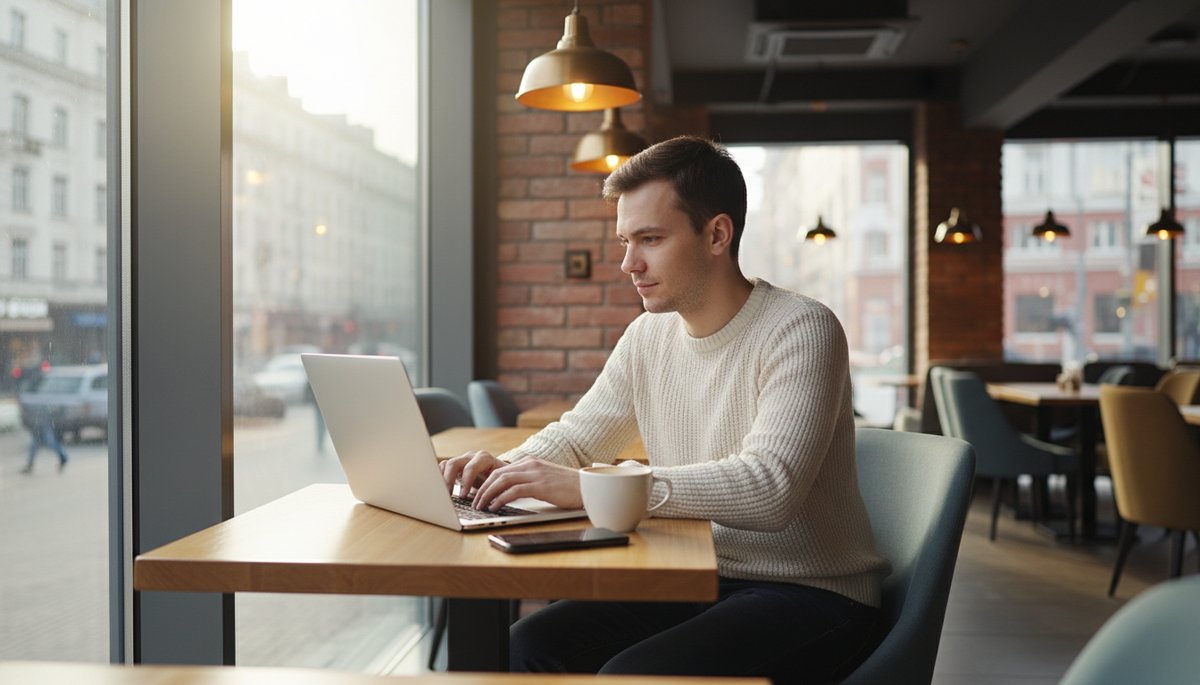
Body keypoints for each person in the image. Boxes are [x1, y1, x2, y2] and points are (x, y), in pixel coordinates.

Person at [440, 136, 890, 683]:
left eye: (650, 239)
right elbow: (580, 436)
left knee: (631, 676)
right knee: (521, 647)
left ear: (717, 234)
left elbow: (772, 489)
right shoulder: (647, 336)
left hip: (811, 592)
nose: (629, 263)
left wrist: (591, 489)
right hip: (690, 577)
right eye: (625, 241)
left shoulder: (801, 328)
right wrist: (501, 471)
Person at [23, 407, 69, 474]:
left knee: (51, 442)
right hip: (37, 425)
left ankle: (63, 458)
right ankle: (29, 464)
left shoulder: (43, 402)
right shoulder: (32, 402)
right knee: (34, 446)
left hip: (45, 424)